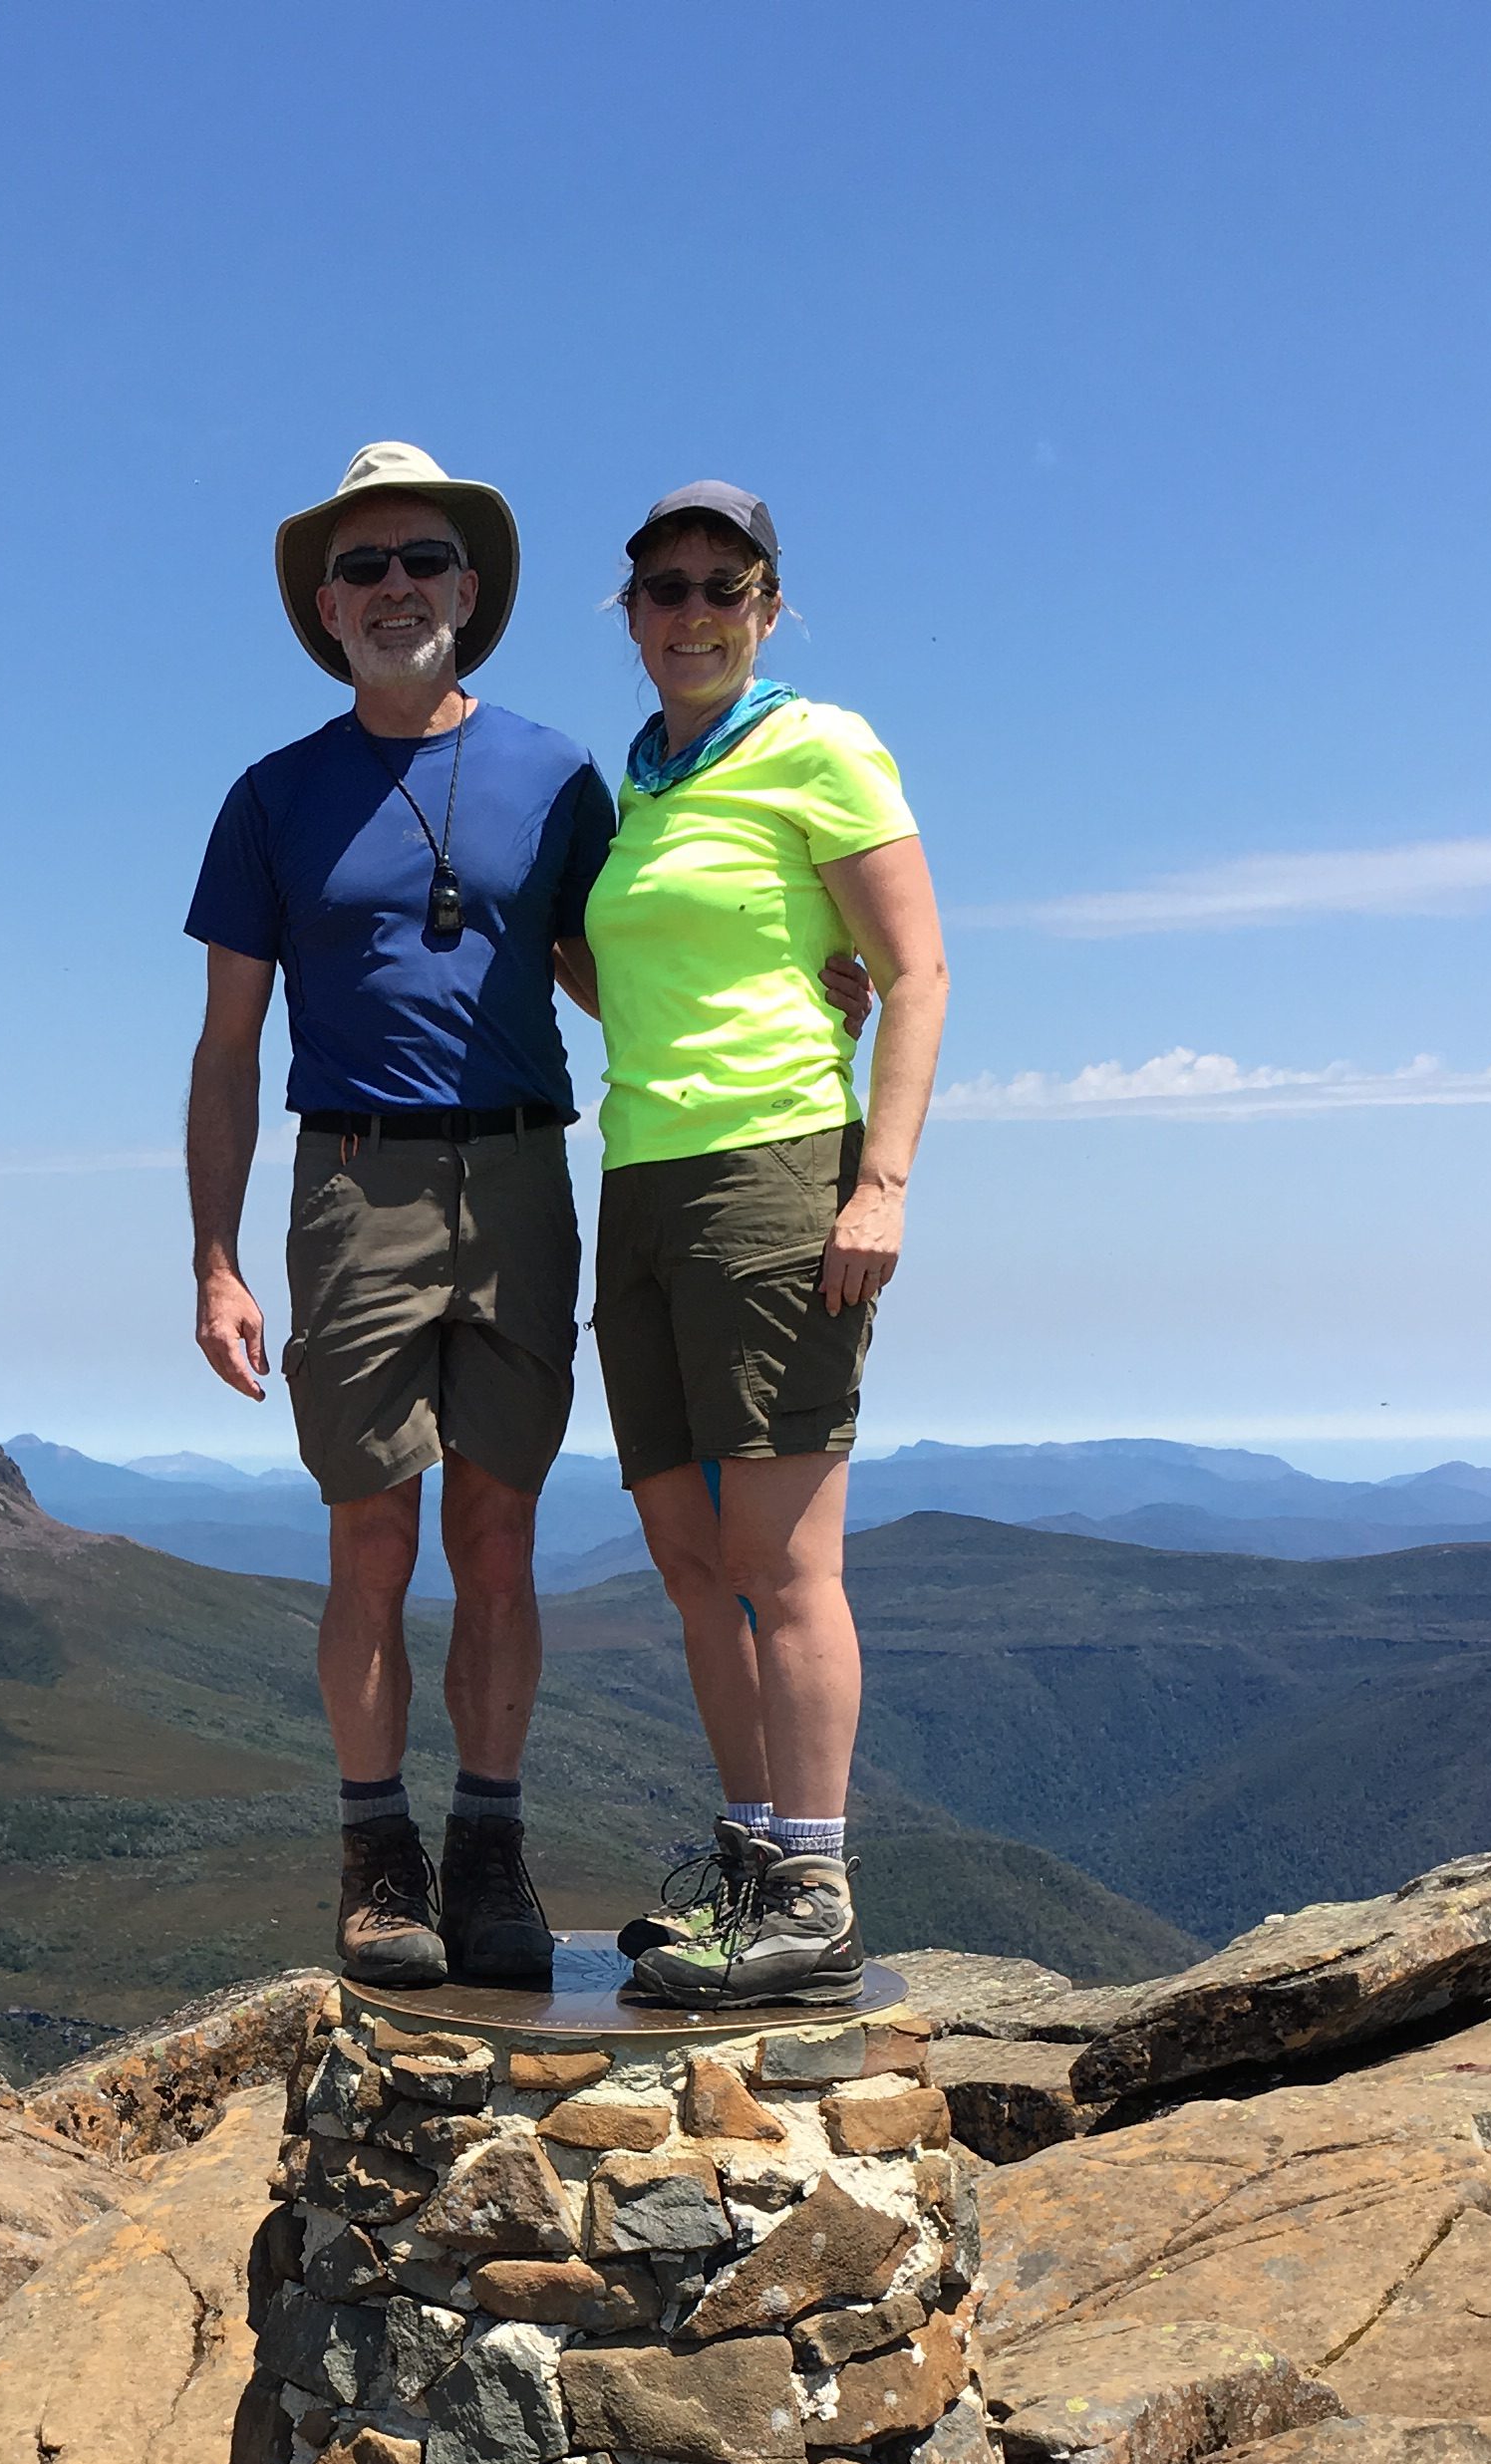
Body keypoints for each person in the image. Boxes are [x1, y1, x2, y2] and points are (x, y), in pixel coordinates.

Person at [181, 442, 617, 1991]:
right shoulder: (271, 797)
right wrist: (217, 1258)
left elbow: (615, 968)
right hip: (354, 1180)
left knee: (500, 1532)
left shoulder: (558, 778)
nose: (394, 587)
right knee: (371, 1531)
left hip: (520, 1173)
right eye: (362, 567)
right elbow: (228, 1047)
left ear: (470, 589)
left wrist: (793, 982)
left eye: (422, 559)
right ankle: (379, 1861)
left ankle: (489, 1853)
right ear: (325, 606)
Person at [554, 478, 949, 2013]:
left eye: (726, 587)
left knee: (782, 1561)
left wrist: (881, 1183)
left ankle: (815, 1892)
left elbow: (916, 971)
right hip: (642, 1182)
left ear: (769, 609)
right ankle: (749, 1862)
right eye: (666, 588)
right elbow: (625, 970)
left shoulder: (819, 747)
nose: (694, 613)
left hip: (777, 1171)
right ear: (632, 613)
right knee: (689, 1559)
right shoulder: (644, 782)